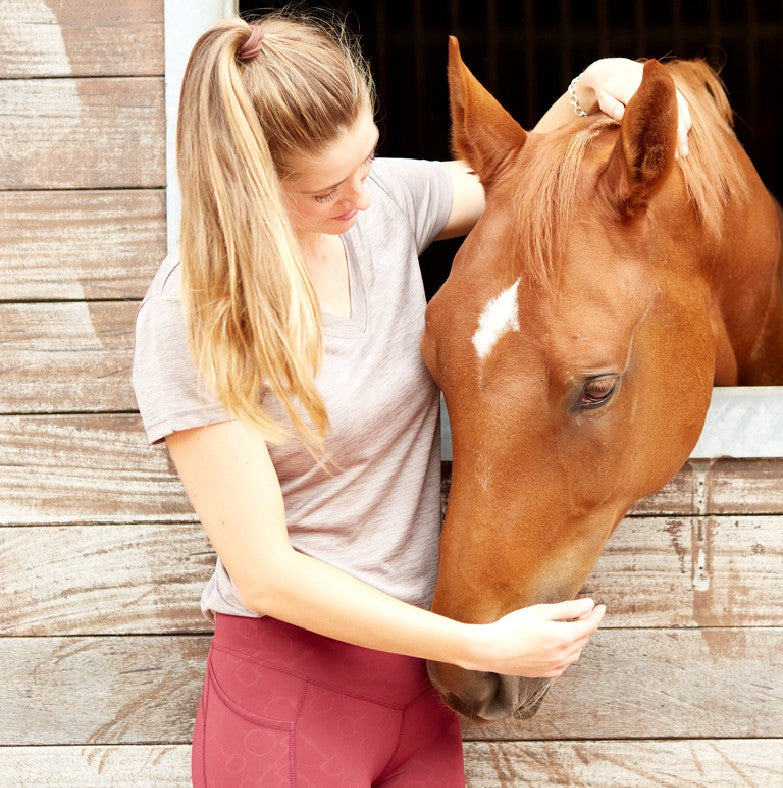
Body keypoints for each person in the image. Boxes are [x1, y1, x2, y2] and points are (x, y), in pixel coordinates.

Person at [133, 11, 690, 786]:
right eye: (327, 189)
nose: (360, 195)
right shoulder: (198, 311)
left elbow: (524, 187)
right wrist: (480, 648)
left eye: (368, 154)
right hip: (292, 694)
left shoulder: (382, 202)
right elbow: (262, 572)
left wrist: (588, 85)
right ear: (250, 186)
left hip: (417, 695)